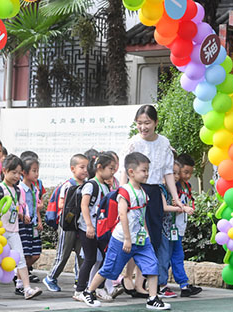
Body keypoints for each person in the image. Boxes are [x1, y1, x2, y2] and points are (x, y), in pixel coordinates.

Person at [81, 152, 171, 310]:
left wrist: (147, 235)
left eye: (147, 170)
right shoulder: (124, 191)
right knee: (109, 268)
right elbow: (122, 215)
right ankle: (88, 292)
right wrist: (128, 239)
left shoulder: (143, 192)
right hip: (122, 240)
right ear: (131, 172)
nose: (147, 173)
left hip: (141, 240)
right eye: (143, 170)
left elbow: (142, 215)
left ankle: (153, 297)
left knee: (152, 265)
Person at [120, 105, 190, 296]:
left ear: (156, 123)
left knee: (152, 240)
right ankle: (128, 277)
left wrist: (176, 200)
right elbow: (124, 173)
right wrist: (122, 196)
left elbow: (167, 173)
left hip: (155, 193)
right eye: (139, 123)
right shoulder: (133, 143)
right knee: (135, 236)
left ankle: (140, 283)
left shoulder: (164, 143)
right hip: (135, 192)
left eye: (147, 123)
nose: (143, 127)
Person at [0, 154, 42, 300]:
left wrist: (22, 216)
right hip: (0, 231)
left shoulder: (18, 190)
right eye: (13, 172)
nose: (16, 176)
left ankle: (27, 289)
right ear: (4, 171)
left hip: (14, 231)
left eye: (19, 173)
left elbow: (18, 207)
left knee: (20, 258)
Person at [157, 155, 202, 298]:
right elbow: (169, 206)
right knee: (173, 256)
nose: (186, 176)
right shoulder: (171, 187)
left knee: (171, 257)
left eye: (190, 173)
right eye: (185, 172)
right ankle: (181, 285)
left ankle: (160, 282)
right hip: (169, 229)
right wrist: (182, 208)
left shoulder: (186, 186)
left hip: (179, 229)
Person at [43, 153, 88, 292]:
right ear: (73, 168)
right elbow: (61, 204)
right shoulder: (68, 185)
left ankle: (80, 281)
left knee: (82, 254)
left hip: (80, 225)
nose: (85, 170)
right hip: (67, 224)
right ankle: (50, 277)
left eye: (87, 167)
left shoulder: (88, 185)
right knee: (63, 253)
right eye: (82, 167)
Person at [74, 152, 115, 302]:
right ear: (99, 167)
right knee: (90, 259)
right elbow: (84, 205)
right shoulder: (91, 185)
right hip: (88, 229)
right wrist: (90, 226)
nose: (112, 172)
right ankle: (79, 290)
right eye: (110, 168)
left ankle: (98, 287)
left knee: (106, 258)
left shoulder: (105, 186)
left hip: (101, 230)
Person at [19, 156, 43, 283]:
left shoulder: (35, 189)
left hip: (33, 224)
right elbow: (17, 206)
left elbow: (36, 206)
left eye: (37, 170)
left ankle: (20, 273)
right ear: (24, 172)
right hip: (24, 224)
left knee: (36, 254)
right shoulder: (20, 189)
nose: (36, 174)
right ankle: (21, 277)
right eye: (34, 170)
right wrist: (22, 216)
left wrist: (39, 221)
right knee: (25, 253)